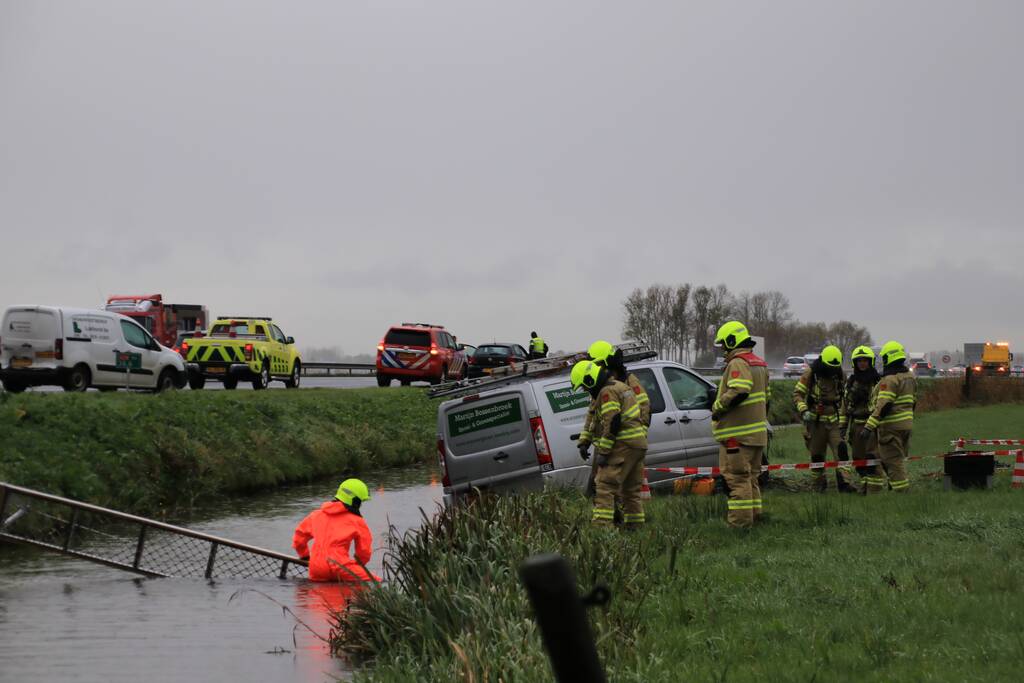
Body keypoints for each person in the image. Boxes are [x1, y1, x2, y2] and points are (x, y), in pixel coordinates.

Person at [578, 341, 652, 521]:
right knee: (605, 485)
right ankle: (621, 521)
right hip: (607, 441)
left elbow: (645, 408)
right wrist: (584, 439)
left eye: (595, 364)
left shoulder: (627, 382)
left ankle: (606, 524)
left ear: (603, 363)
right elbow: (592, 413)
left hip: (622, 442)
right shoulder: (600, 385)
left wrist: (635, 434)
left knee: (609, 485)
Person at [710, 321, 770, 528]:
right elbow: (766, 399)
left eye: (724, 345)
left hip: (737, 437)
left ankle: (740, 525)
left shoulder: (738, 363)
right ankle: (755, 516)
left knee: (737, 481)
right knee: (751, 478)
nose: (724, 350)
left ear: (731, 341)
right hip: (756, 435)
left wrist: (717, 406)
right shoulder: (759, 364)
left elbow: (739, 390)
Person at [793, 345, 855, 492]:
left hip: (833, 421)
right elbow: (797, 394)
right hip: (815, 423)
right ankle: (818, 486)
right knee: (817, 457)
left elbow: (844, 399)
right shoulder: (811, 374)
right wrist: (804, 410)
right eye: (830, 367)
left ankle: (844, 483)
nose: (832, 371)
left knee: (842, 452)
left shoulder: (840, 375)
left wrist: (844, 420)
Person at [293, 479, 380, 582]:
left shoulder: (316, 515)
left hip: (316, 568)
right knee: (376, 581)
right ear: (355, 501)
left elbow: (299, 538)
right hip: (340, 567)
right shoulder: (357, 521)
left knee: (322, 596)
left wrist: (305, 556)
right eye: (360, 501)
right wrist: (358, 565)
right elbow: (364, 551)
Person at [860, 341, 916, 493]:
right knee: (899, 461)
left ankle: (902, 494)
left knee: (892, 462)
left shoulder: (889, 380)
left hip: (891, 428)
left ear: (889, 358)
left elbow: (883, 406)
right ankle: (899, 490)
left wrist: (868, 426)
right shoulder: (910, 377)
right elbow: (913, 401)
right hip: (907, 425)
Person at [842, 345, 882, 492]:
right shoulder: (852, 381)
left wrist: (873, 425)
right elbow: (845, 406)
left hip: (871, 425)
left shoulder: (877, 381)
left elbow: (881, 405)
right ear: (855, 363)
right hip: (856, 425)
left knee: (872, 458)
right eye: (859, 361)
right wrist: (843, 426)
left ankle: (874, 489)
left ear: (870, 362)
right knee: (858, 458)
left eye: (865, 360)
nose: (862, 363)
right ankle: (864, 485)